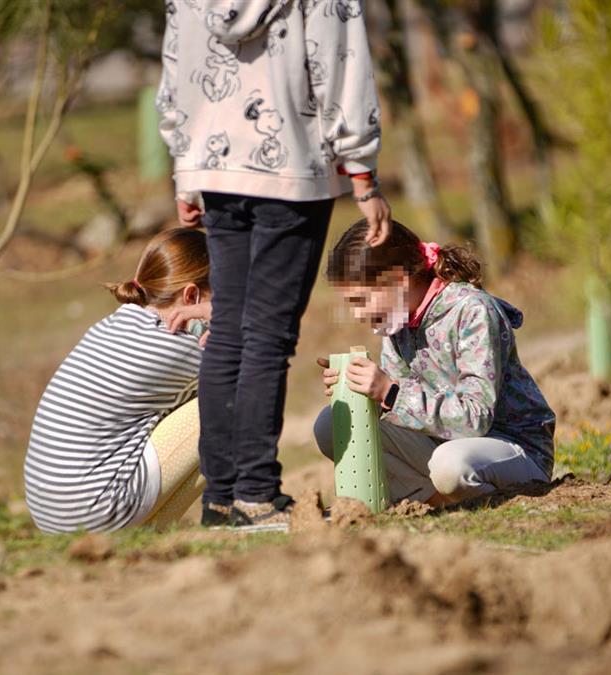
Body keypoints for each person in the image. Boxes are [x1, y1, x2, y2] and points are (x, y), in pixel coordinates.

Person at [156, 0, 391, 527]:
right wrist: (363, 174)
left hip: (214, 167)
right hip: (292, 170)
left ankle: (222, 500)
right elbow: (341, 59)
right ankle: (256, 494)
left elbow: (176, 67)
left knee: (229, 332)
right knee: (266, 336)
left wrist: (186, 170)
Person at [315, 221, 556, 506]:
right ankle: (436, 501)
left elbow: (475, 419)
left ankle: (454, 497)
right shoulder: (397, 324)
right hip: (443, 445)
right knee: (333, 424)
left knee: (450, 466)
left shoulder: (473, 311)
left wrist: (390, 392)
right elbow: (401, 412)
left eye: (362, 300)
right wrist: (359, 393)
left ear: (399, 278)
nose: (357, 314)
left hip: (510, 449)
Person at [24, 229, 212, 533]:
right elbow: (260, 363)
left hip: (54, 518)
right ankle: (250, 506)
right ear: (192, 296)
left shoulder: (120, 323)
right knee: (233, 398)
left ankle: (149, 534)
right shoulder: (177, 345)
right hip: (95, 510)